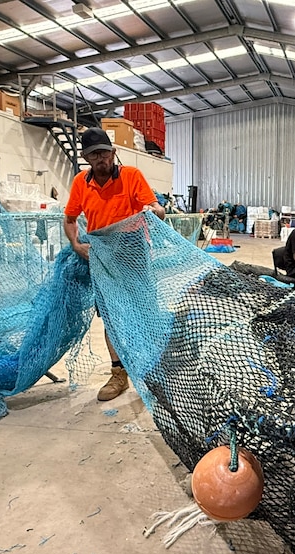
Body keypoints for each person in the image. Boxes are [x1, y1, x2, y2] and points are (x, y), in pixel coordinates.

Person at [64, 127, 165, 401]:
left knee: (143, 311)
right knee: (111, 316)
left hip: (133, 253)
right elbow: (70, 219)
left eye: (104, 153)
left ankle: (153, 368)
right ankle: (119, 373)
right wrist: (76, 244)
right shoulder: (80, 184)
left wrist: (156, 211)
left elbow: (156, 208)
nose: (100, 159)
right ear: (86, 158)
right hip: (103, 257)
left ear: (113, 153)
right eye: (94, 155)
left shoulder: (132, 176)